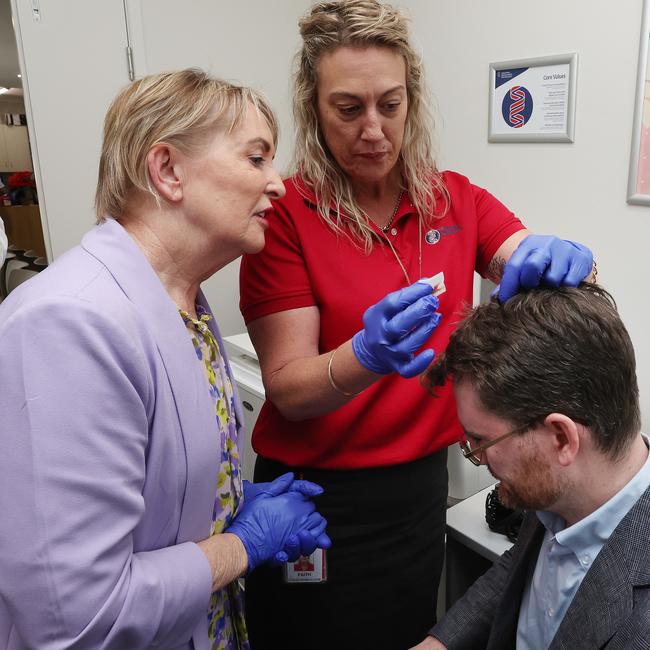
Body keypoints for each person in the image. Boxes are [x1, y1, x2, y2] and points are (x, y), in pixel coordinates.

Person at [239, 1, 595, 648]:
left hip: (416, 489)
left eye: (390, 104)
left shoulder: (454, 199)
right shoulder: (287, 213)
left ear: (413, 100)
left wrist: (566, 262)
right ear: (314, 110)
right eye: (348, 109)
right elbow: (289, 387)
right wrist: (364, 357)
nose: (373, 129)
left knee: (406, 631)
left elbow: (521, 252)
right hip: (315, 497)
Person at [0, 69, 331, 650]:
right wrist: (242, 545)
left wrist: (220, 504)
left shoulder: (186, 309)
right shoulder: (70, 324)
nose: (279, 185)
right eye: (256, 159)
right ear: (168, 171)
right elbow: (76, 620)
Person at [414, 283, 649, 650]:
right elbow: (523, 571)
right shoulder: (566, 489)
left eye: (481, 441)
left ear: (561, 438)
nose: (477, 456)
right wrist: (440, 644)